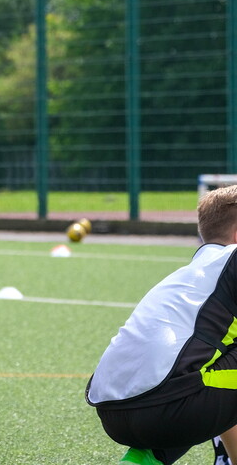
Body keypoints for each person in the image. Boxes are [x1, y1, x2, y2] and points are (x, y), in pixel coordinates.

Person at [87, 184, 237, 465]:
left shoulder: (187, 277)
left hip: (115, 413)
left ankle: (142, 460)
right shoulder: (232, 260)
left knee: (209, 364)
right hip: (174, 408)